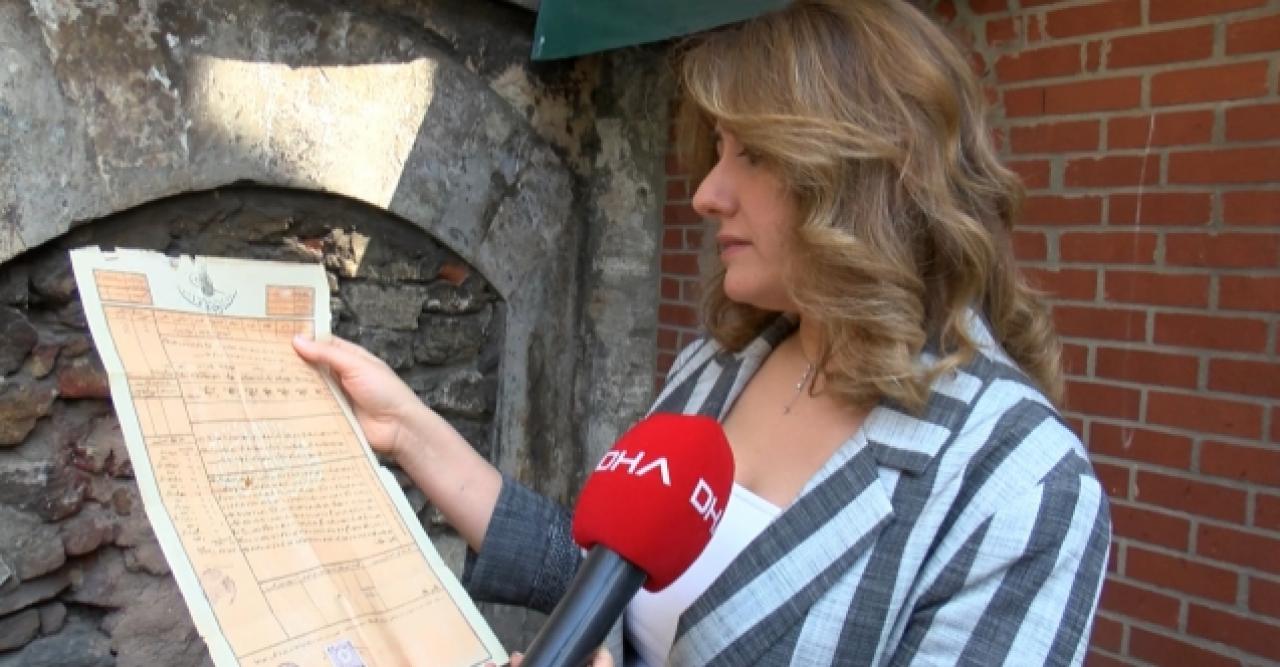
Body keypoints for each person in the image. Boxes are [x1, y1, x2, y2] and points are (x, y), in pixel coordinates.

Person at [293, 0, 1111, 664]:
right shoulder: (721, 365)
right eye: (718, 151)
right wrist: (407, 429)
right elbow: (610, 584)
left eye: (752, 155)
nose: (707, 194)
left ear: (861, 173)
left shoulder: (1019, 485)